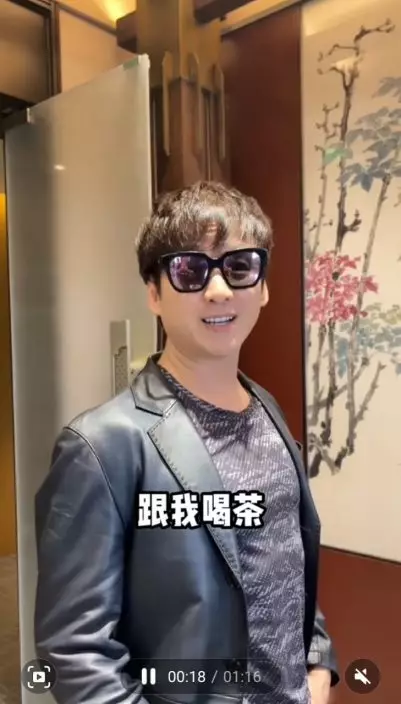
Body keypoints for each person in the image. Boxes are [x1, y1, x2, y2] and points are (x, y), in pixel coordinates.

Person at [34, 181, 339, 704]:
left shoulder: (267, 409)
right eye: (190, 270)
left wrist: (319, 664)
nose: (219, 290)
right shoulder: (102, 447)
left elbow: (285, 563)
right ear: (154, 293)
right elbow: (75, 654)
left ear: (263, 285)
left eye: (239, 266)